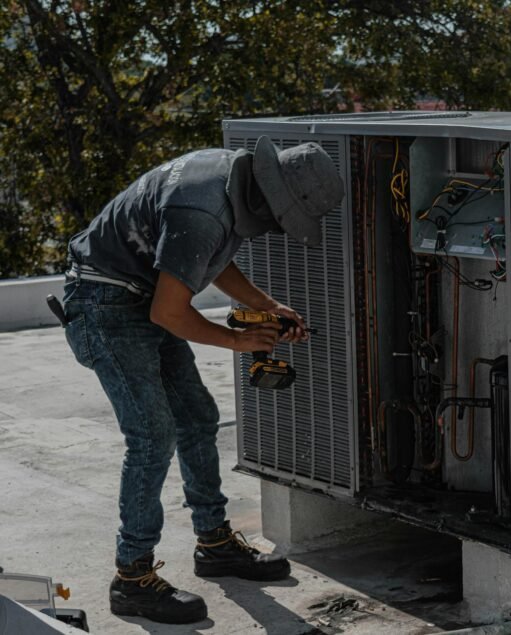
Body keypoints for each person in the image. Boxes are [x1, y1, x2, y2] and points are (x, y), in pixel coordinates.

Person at [61, 137, 344, 624]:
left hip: (136, 293)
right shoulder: (203, 208)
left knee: (197, 417)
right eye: (282, 219)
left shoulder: (227, 176)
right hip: (103, 305)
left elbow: (202, 257)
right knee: (153, 435)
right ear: (270, 199)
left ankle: (214, 545)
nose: (277, 229)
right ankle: (131, 578)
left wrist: (266, 306)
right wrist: (238, 342)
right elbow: (170, 311)